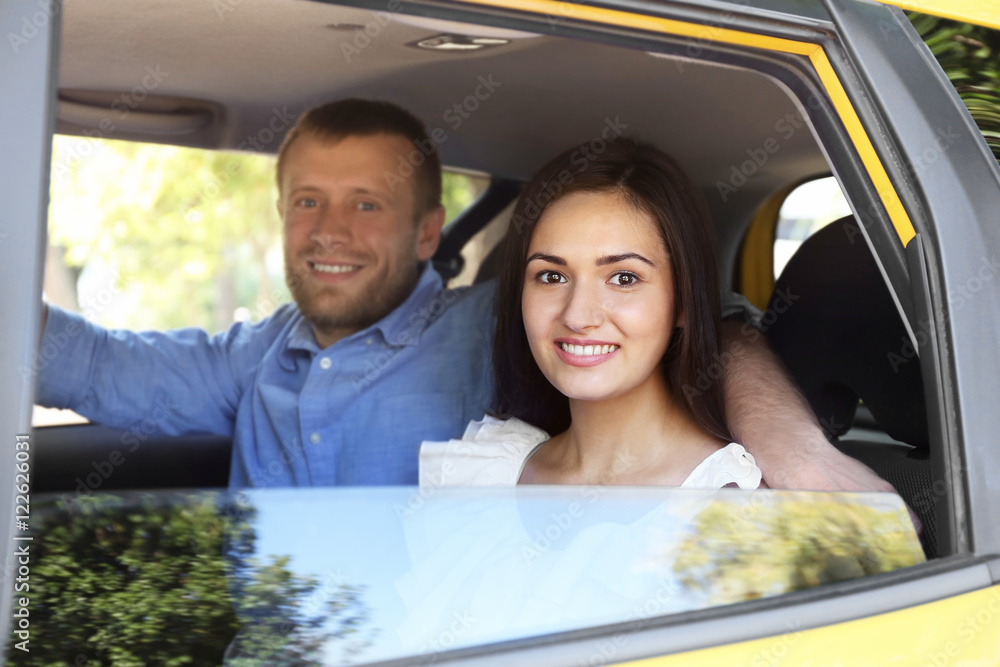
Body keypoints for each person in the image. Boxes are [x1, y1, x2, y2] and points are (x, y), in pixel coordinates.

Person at [35, 98, 895, 494]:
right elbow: (94, 364)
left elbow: (721, 328)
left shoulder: (498, 322)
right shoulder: (255, 356)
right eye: (308, 201)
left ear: (425, 232)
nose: (329, 230)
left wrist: (803, 459)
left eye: (365, 204)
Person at [420, 138, 762, 489]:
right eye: (552, 276)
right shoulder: (480, 475)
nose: (578, 316)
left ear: (684, 302)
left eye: (623, 278)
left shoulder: (734, 503)